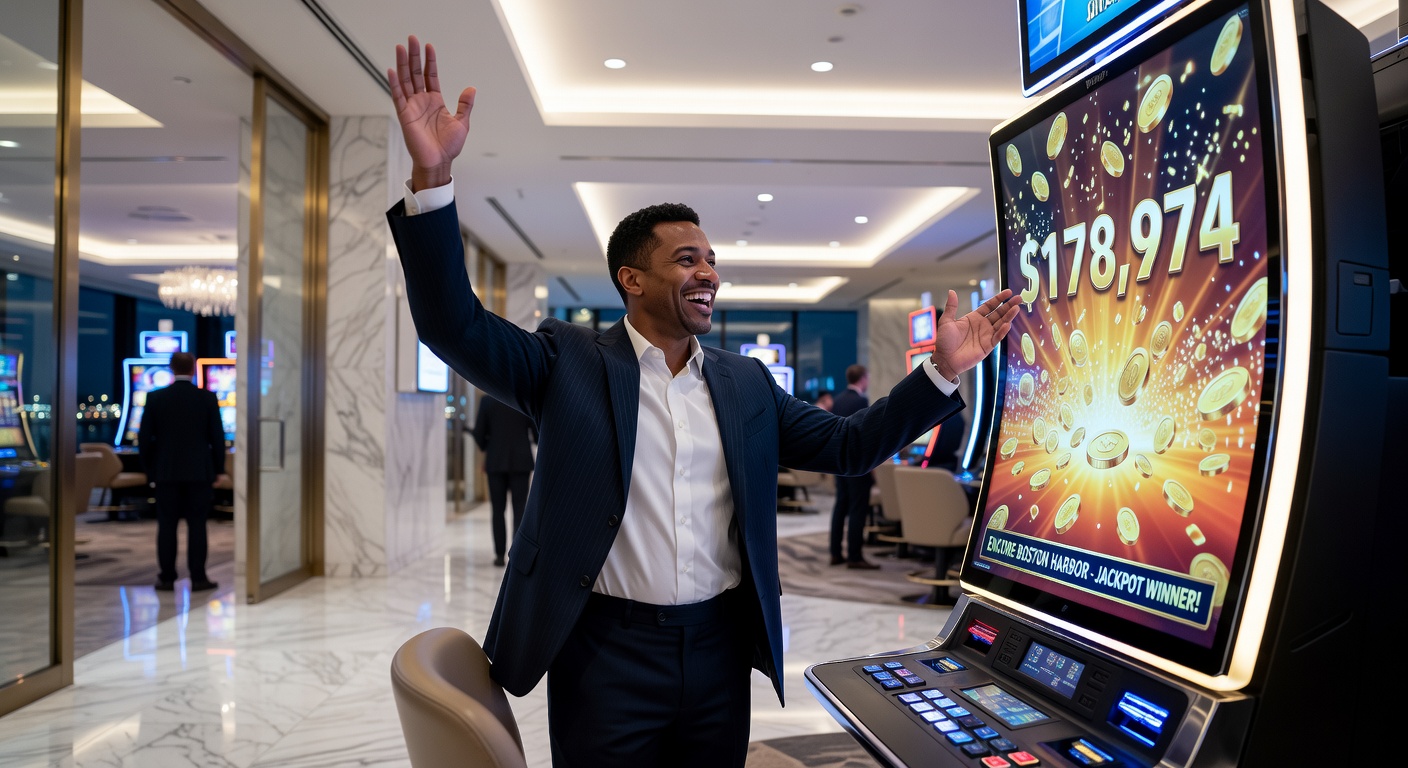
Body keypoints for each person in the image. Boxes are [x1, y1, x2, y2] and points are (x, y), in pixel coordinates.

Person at [384, 36, 1018, 767]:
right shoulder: (567, 361)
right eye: (686, 259)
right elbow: (452, 324)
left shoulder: (745, 383)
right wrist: (433, 177)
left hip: (719, 649)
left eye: (712, 260)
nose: (708, 273)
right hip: (604, 653)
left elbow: (850, 448)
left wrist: (942, 370)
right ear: (631, 279)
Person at [137, 351, 228, 592]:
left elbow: (144, 439)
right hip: (199, 472)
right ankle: (198, 578)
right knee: (197, 525)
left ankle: (167, 578)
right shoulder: (206, 398)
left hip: (166, 472)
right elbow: (217, 438)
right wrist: (219, 469)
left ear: (171, 368)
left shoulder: (155, 397)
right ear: (193, 369)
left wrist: (150, 469)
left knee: (167, 525)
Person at [471, 394, 537, 567]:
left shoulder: (487, 400)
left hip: (496, 461)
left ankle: (500, 556)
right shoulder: (523, 398)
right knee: (520, 510)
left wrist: (489, 445)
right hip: (521, 462)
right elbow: (537, 432)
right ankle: (517, 555)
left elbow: (479, 433)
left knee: (498, 510)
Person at [829, 365, 878, 569]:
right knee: (858, 509)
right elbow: (864, 434)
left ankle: (835, 553)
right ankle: (855, 556)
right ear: (863, 378)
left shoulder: (838, 400)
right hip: (858, 465)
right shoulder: (861, 401)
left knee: (841, 506)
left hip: (839, 463)